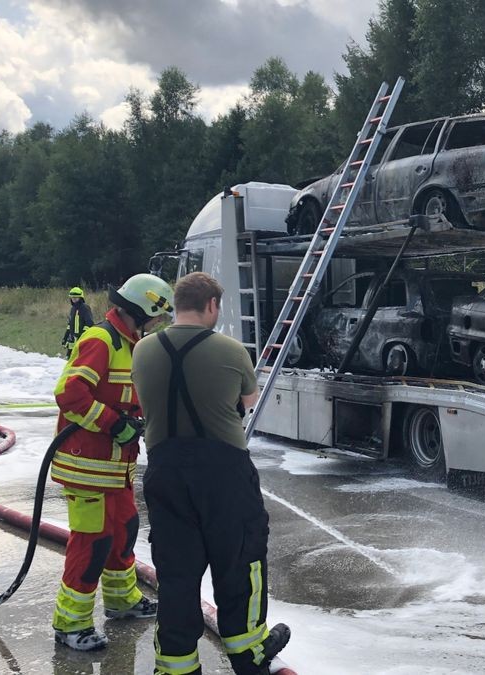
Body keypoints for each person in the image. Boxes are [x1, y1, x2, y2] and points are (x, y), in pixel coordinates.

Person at [132, 272, 291, 675]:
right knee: (241, 561)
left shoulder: (143, 350)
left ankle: (176, 666)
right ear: (211, 305)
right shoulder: (231, 349)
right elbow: (248, 401)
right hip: (224, 474)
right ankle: (250, 653)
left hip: (164, 472)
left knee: (177, 572)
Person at [50, 273, 174, 651]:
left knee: (124, 528)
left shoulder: (129, 344)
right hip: (86, 466)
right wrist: (113, 423)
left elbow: (124, 395)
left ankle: (122, 601)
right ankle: (70, 624)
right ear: (141, 310)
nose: (156, 324)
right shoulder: (100, 339)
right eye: (155, 316)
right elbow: (69, 394)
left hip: (115, 467)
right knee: (93, 542)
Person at [62, 286, 95, 358]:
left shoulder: (85, 308)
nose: (74, 300)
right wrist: (66, 336)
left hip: (82, 339)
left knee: (81, 358)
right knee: (69, 359)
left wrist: (82, 335)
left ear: (80, 298)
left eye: (76, 298)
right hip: (72, 340)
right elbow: (70, 324)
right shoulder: (72, 309)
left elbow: (89, 324)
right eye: (72, 298)